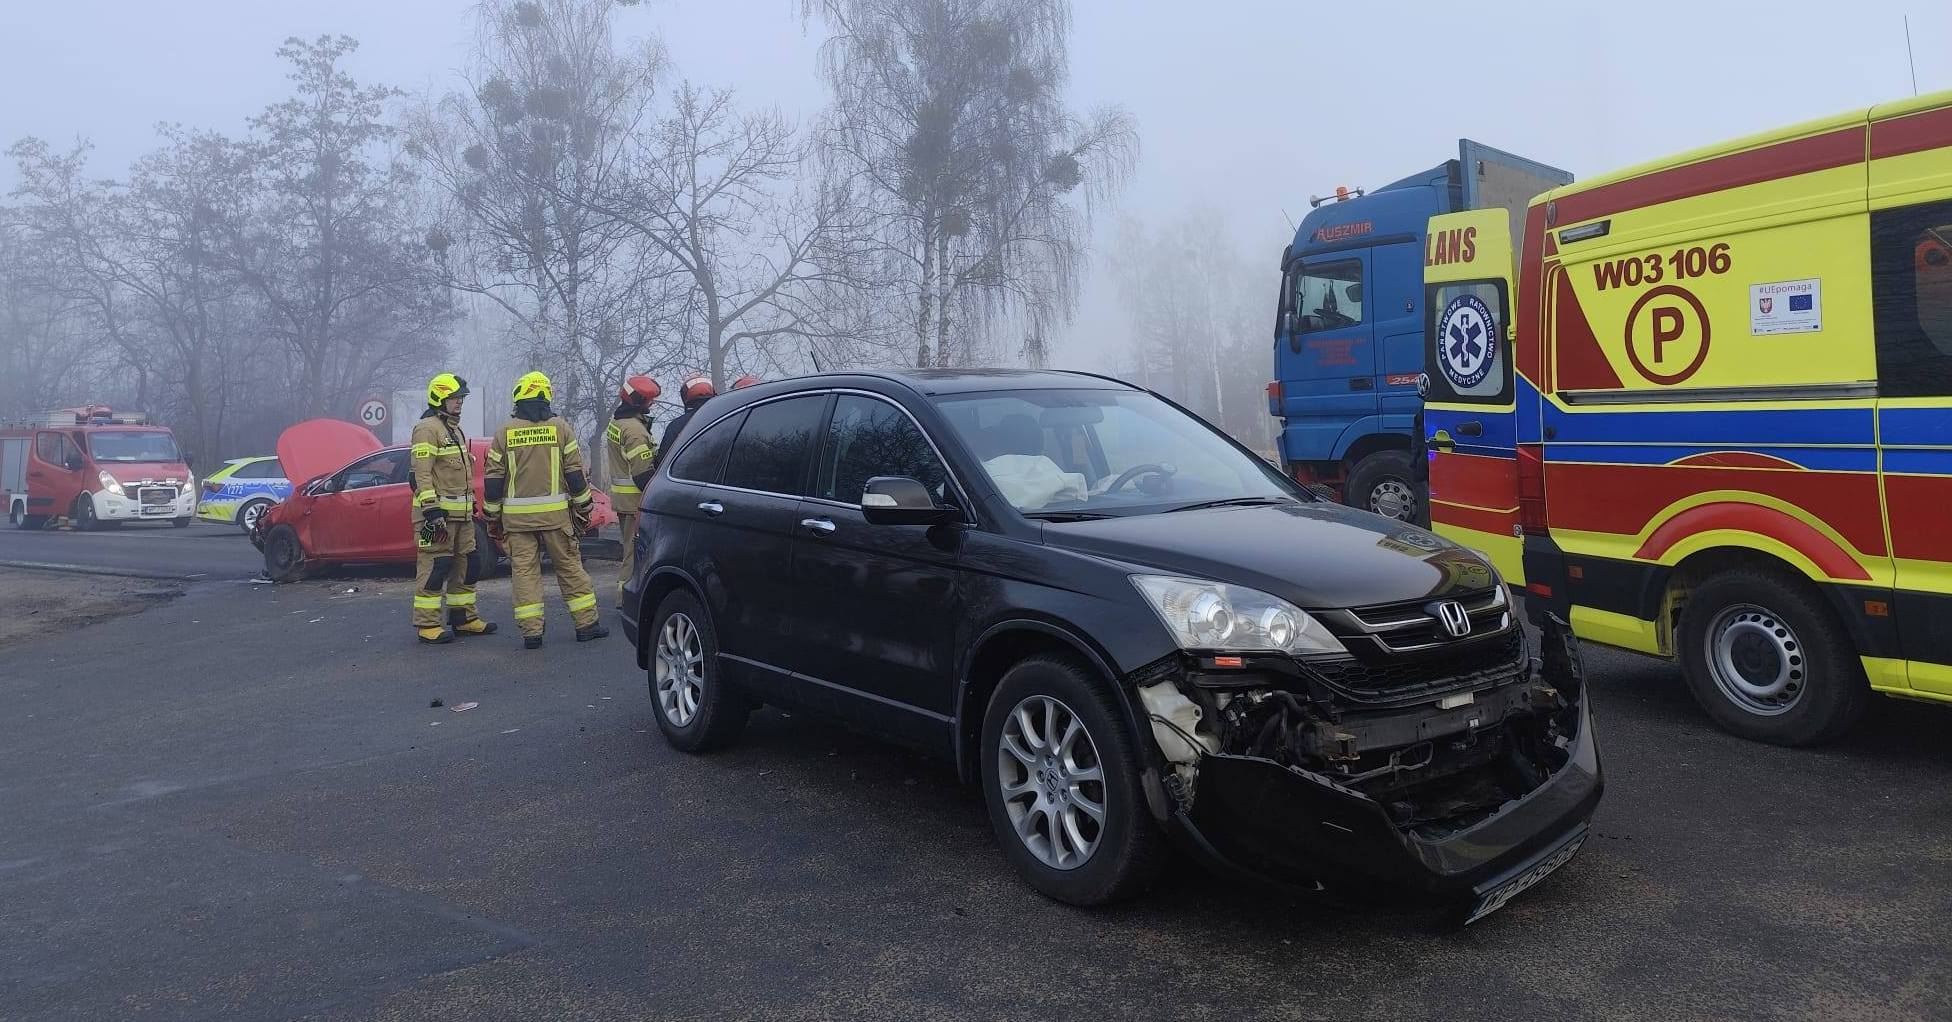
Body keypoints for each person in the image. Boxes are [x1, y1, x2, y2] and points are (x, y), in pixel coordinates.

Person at [482, 371, 608, 650]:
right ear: (545, 396)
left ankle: (532, 634)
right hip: (556, 519)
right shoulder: (561, 428)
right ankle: (587, 625)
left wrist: (492, 515)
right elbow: (575, 474)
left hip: (517, 522)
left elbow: (493, 480)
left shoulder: (505, 432)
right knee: (570, 569)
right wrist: (585, 506)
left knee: (525, 574)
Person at [409, 373, 497, 644]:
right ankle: (427, 625)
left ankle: (464, 618)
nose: (459, 402)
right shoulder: (427, 428)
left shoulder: (454, 429)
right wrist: (431, 510)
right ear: (439, 398)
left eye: (461, 398)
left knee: (468, 565)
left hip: (462, 516)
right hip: (436, 518)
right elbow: (421, 474)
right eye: (454, 398)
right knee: (435, 566)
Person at [606, 375, 660, 605]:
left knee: (629, 550)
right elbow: (642, 475)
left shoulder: (617, 423)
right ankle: (625, 599)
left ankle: (625, 596)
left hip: (623, 501)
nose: (652, 404)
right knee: (633, 554)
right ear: (639, 402)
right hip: (635, 502)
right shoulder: (635, 431)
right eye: (649, 401)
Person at [647, 376, 717, 477]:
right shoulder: (728, 418)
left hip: (686, 484)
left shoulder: (676, 426)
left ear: (685, 397)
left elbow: (662, 462)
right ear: (713, 394)